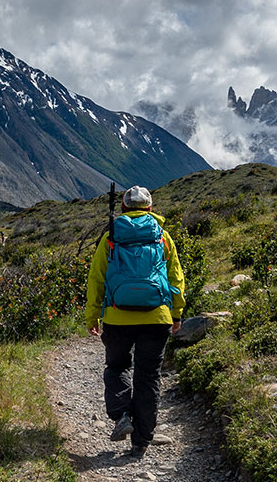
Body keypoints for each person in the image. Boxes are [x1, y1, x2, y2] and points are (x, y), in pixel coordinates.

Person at [85, 184, 185, 455]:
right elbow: (176, 279)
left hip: (117, 316)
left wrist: (93, 315)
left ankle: (121, 416)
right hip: (157, 316)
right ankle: (141, 442)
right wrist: (176, 314)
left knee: (117, 367)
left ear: (123, 208)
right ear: (150, 209)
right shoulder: (163, 237)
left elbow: (97, 279)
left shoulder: (111, 237)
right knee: (149, 376)